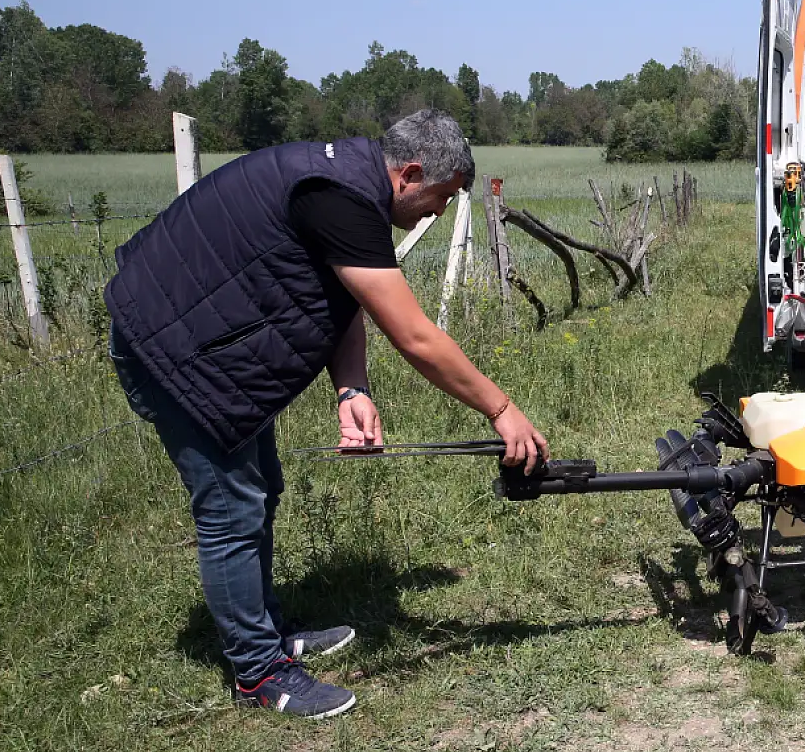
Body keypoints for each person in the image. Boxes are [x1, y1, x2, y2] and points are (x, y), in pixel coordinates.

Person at [105, 110, 549, 720]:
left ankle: (266, 632)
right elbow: (415, 335)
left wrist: (351, 391)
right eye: (441, 198)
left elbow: (346, 298)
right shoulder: (338, 195)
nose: (439, 212)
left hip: (204, 344)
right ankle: (258, 673)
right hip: (172, 348)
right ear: (411, 173)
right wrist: (502, 410)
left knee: (260, 488)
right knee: (232, 509)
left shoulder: (350, 187)